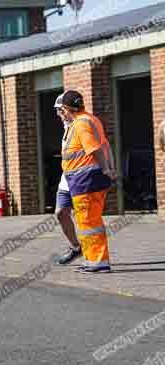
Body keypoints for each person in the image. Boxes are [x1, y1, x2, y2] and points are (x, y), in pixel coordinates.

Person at [59, 90, 116, 273]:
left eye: (63, 110)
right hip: (86, 180)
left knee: (89, 222)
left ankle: (98, 262)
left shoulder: (81, 124)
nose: (63, 113)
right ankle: (92, 259)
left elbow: (94, 148)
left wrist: (106, 168)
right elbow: (106, 145)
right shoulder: (91, 119)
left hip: (86, 180)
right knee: (87, 222)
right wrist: (109, 168)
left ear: (67, 108)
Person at [52, 94, 81, 265]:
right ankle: (77, 247)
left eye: (58, 110)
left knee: (84, 217)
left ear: (65, 109)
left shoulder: (80, 125)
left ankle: (95, 254)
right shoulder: (67, 125)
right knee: (61, 212)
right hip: (67, 177)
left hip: (81, 177)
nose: (57, 114)